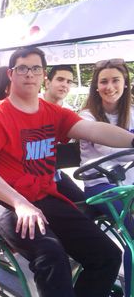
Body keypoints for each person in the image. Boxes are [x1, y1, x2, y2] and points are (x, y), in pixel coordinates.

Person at [0, 47, 134, 297]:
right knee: (52, 255)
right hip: (2, 200)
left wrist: (132, 141)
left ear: (43, 75)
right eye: (22, 68)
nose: (29, 74)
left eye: (35, 68)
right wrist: (21, 204)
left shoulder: (52, 113)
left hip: (43, 196)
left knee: (107, 255)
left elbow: (95, 131)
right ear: (11, 74)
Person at [79, 58, 134, 297]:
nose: (109, 87)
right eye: (104, 81)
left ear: (125, 84)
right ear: (96, 86)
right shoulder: (87, 116)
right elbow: (109, 152)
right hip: (100, 187)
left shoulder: (131, 113)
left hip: (129, 186)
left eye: (115, 80)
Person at [42, 65, 85, 203]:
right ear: (47, 82)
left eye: (68, 82)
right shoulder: (31, 104)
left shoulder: (68, 112)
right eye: (60, 79)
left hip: (55, 174)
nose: (64, 85)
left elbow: (85, 132)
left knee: (86, 205)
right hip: (31, 178)